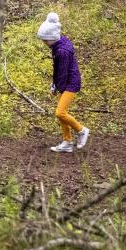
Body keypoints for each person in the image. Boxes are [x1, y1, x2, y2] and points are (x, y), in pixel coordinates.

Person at [38, 12, 89, 153]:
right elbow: (58, 69)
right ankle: (67, 141)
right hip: (64, 82)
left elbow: (63, 72)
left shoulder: (62, 51)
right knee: (62, 112)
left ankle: (81, 130)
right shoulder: (58, 44)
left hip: (70, 83)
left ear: (52, 37)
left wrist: (57, 86)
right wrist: (54, 84)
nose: (44, 43)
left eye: (45, 40)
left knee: (60, 113)